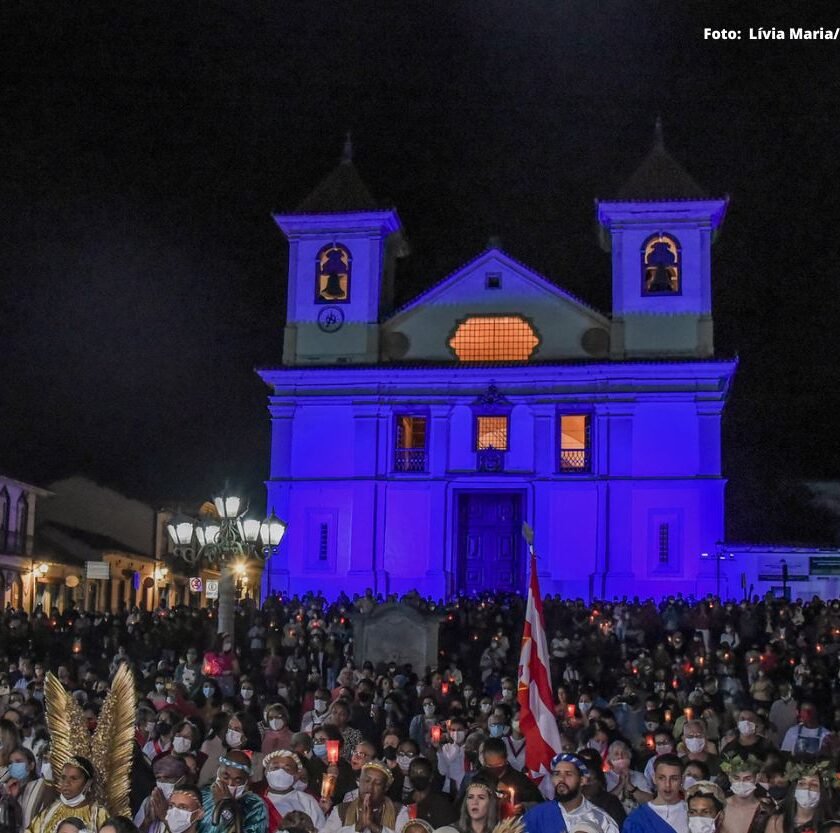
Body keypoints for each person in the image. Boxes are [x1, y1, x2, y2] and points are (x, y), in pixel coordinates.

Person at [523, 753, 618, 833]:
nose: (561, 779)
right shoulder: (537, 815)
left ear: (582, 780)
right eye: (557, 774)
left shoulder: (601, 819)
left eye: (568, 774)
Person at [320, 762, 409, 833]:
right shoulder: (341, 810)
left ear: (385, 788)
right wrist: (357, 827)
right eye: (367, 781)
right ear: (359, 782)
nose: (370, 787)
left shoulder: (399, 811)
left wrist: (373, 826)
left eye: (377, 783)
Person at [27, 756, 109, 833]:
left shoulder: (98, 815)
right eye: (63, 778)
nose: (66, 783)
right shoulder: (49, 811)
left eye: (74, 778)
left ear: (88, 783)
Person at [197, 750, 267, 833]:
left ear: (246, 781)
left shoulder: (255, 805)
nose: (230, 784)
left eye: (237, 781)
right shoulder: (203, 794)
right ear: (218, 773)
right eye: (225, 778)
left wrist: (225, 808)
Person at [260, 750, 324, 831]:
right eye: (275, 767)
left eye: (287, 769)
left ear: (296, 775)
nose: (280, 772)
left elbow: (321, 829)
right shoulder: (257, 802)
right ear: (266, 772)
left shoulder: (307, 800)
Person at [622, 754, 687, 833]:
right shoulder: (637, 819)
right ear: (654, 778)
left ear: (682, 780)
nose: (667, 784)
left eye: (674, 779)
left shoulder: (693, 813)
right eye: (661, 778)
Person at [0, 747, 52, 832]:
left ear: (31, 765)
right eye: (11, 763)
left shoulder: (42, 786)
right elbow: (18, 823)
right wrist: (11, 798)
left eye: (18, 761)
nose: (13, 766)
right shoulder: (11, 788)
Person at [720, 757, 775, 833]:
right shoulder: (720, 806)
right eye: (736, 778)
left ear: (757, 778)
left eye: (747, 778)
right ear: (730, 778)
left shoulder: (766, 811)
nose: (741, 782)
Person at [404, 756, 457, 829]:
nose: (418, 776)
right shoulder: (406, 802)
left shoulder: (442, 804)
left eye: (422, 773)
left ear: (431, 777)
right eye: (414, 773)